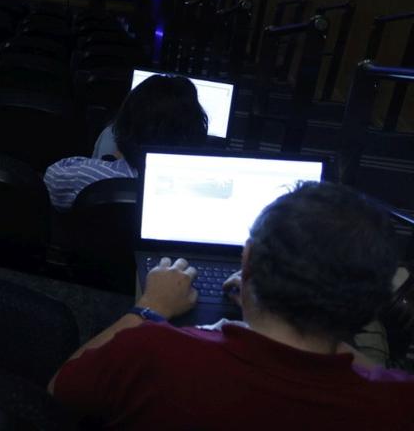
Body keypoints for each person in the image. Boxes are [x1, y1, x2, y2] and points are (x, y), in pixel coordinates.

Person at [49, 182, 414, 429]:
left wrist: (149, 306)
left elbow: (60, 388)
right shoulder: (398, 405)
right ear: (369, 305)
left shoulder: (149, 352)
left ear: (248, 261)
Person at [43, 74, 208, 210]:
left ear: (124, 124)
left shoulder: (89, 178)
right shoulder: (204, 194)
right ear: (196, 134)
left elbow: (50, 179)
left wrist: (114, 158)